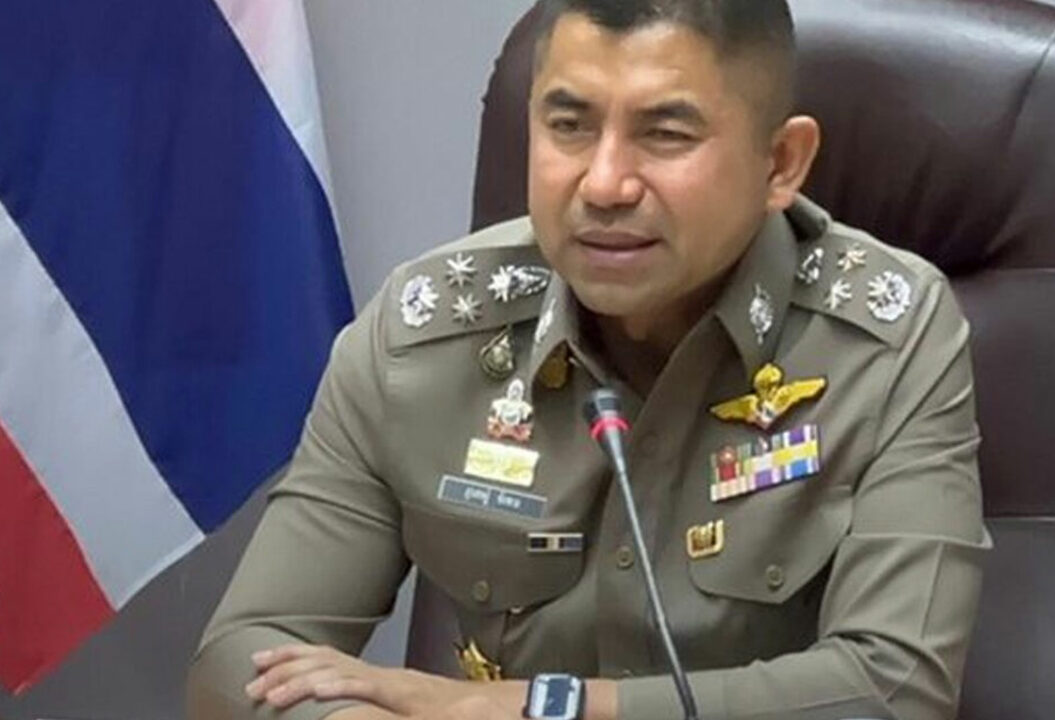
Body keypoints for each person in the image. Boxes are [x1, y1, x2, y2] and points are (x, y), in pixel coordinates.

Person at [187, 1, 990, 718]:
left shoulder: (887, 338)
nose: (604, 184)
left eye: (665, 134)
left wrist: (527, 711)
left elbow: (892, 693)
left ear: (780, 163)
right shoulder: (423, 336)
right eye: (568, 126)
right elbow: (240, 656)